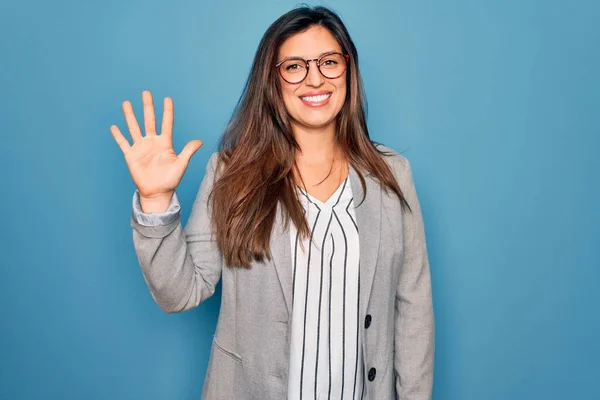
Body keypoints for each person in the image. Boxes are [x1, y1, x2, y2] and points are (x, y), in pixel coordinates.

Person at [110, 5, 434, 400]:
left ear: (348, 69)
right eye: (295, 66)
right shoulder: (231, 171)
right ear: (273, 79)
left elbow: (413, 306)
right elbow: (181, 291)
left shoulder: (392, 175)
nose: (315, 78)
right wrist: (156, 200)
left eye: (329, 62)